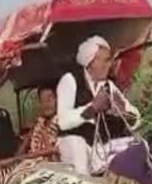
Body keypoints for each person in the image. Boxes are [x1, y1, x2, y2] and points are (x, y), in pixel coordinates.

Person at [56, 35, 140, 175]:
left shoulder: (108, 86)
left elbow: (137, 118)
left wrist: (123, 112)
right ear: (91, 61)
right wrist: (92, 108)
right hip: (73, 144)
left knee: (137, 145)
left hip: (99, 148)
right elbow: (63, 122)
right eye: (106, 60)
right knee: (78, 147)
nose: (110, 65)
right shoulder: (69, 80)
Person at [18, 84, 59, 157]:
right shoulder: (37, 125)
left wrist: (44, 135)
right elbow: (18, 156)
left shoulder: (62, 125)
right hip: (31, 165)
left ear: (57, 100)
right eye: (42, 100)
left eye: (49, 99)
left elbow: (54, 159)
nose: (46, 104)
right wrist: (27, 139)